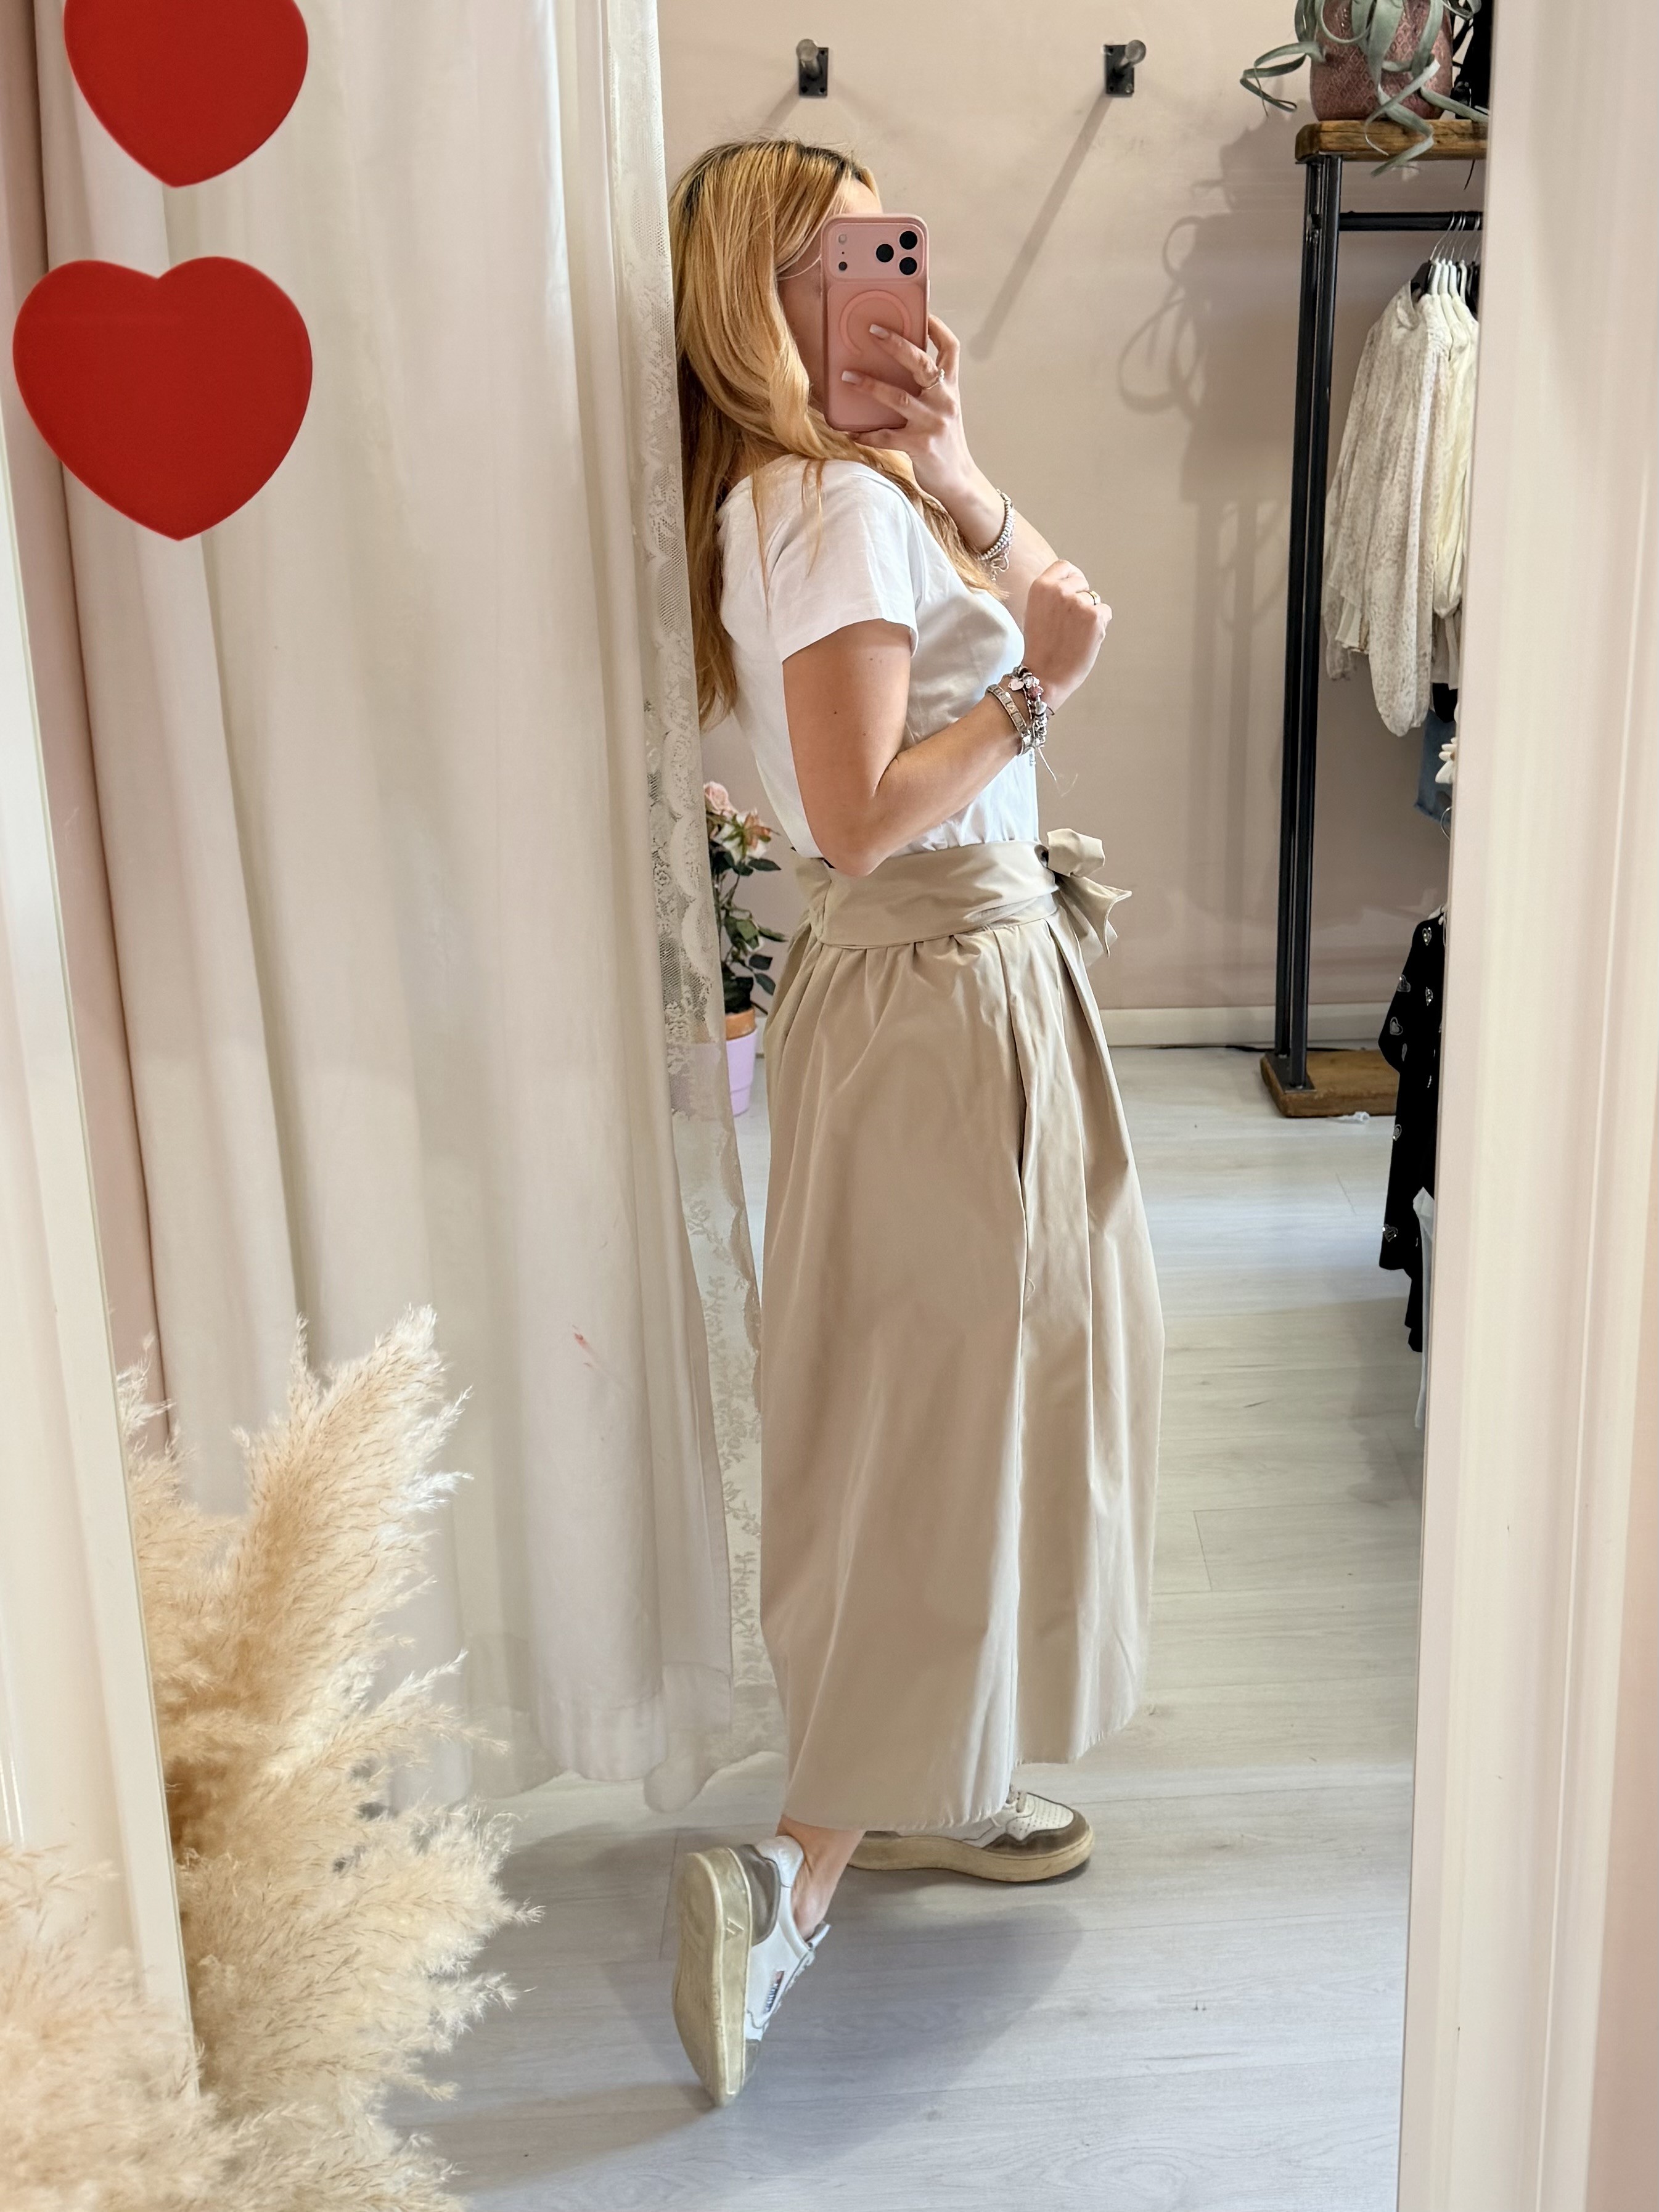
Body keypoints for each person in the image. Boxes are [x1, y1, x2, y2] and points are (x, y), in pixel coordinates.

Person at [666, 137, 1163, 2107]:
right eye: (832, 257)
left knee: (965, 1397)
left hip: (960, 987)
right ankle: (794, 1877)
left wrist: (960, 470)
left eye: (887, 243)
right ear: (754, 301)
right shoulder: (813, 507)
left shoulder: (855, 490)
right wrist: (1032, 700)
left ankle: (923, 1769)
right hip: (940, 988)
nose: (882, 277)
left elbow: (1066, 603)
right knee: (929, 1424)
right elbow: (858, 812)